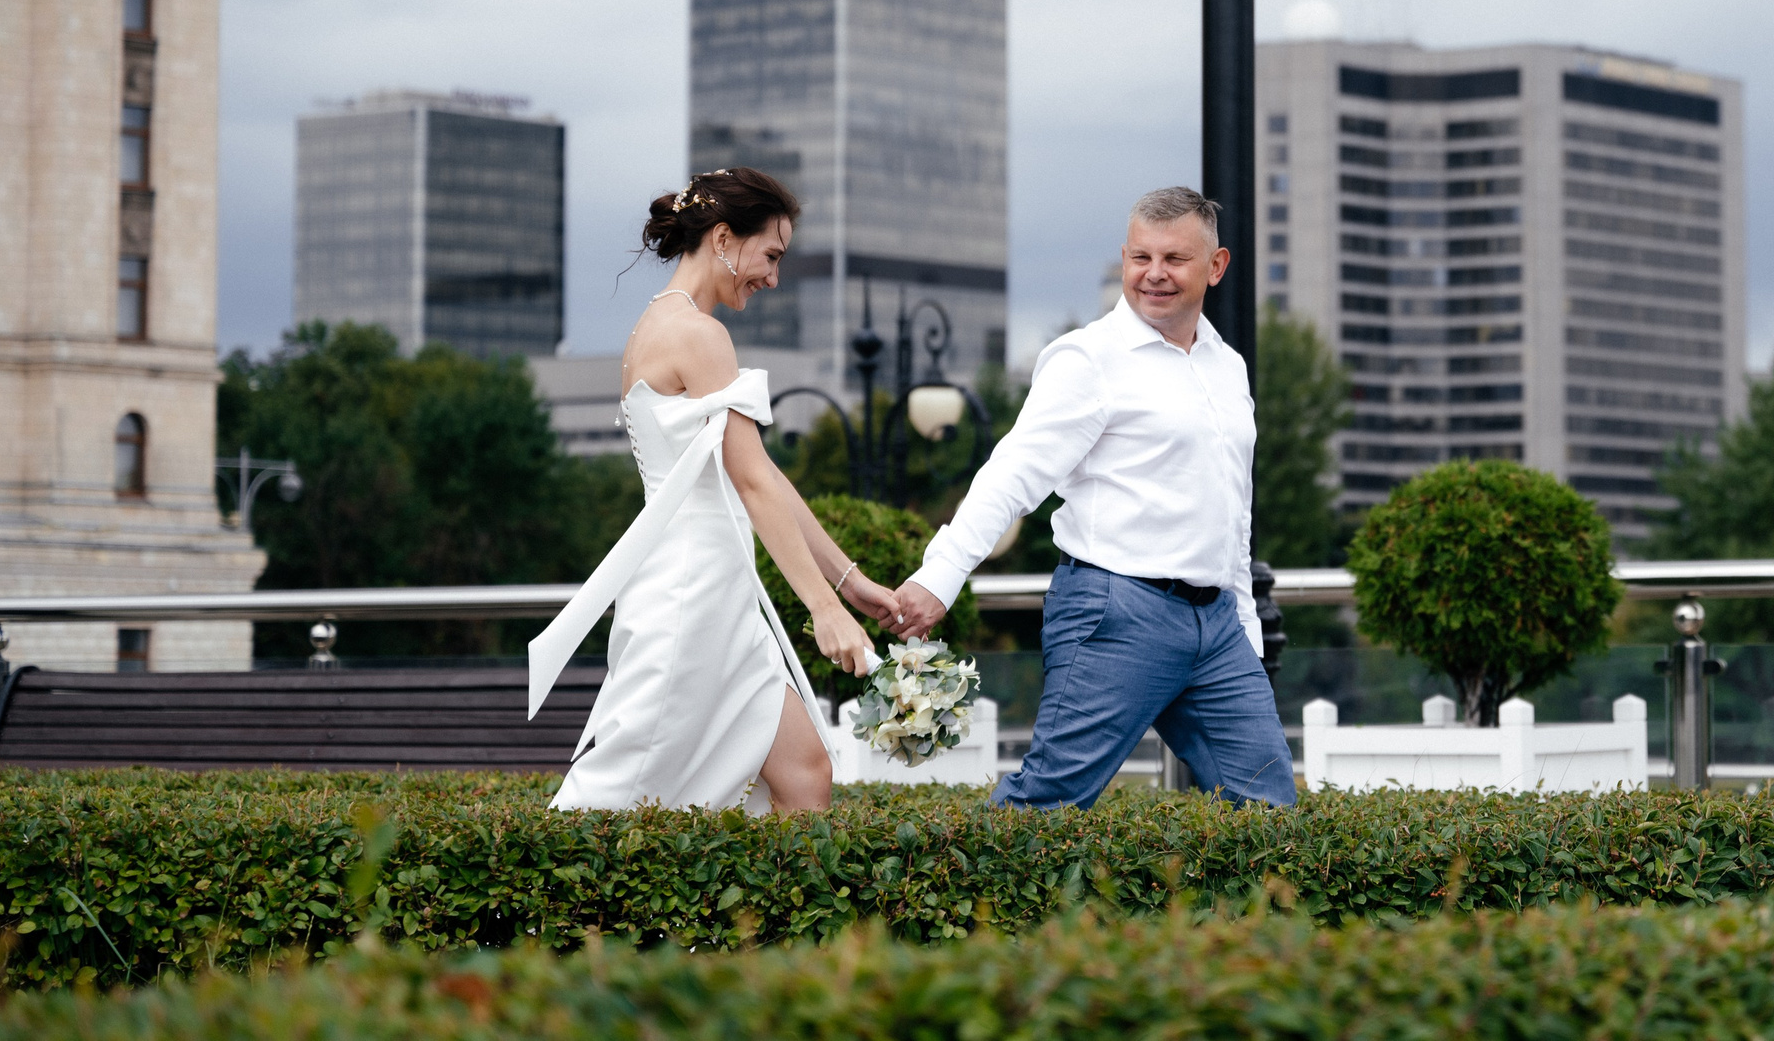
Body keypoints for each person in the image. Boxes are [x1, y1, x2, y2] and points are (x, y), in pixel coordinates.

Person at [890, 186, 1295, 808]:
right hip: (1116, 611)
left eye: (1174, 260)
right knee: (1049, 803)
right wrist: (940, 577)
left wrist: (1244, 625)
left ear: (1216, 267)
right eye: (1140, 258)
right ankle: (941, 906)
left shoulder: (1226, 365)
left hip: (1216, 627)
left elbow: (1231, 507)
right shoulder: (1089, 359)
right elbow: (1012, 474)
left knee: (1269, 808)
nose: (1153, 275)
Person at [528, 167, 898, 813]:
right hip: (691, 595)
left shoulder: (658, 327)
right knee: (621, 793)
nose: (773, 277)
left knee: (806, 773)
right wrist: (823, 609)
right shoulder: (698, 334)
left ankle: (783, 919)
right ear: (725, 236)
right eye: (771, 255)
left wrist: (850, 583)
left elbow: (764, 475)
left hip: (714, 585)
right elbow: (752, 480)